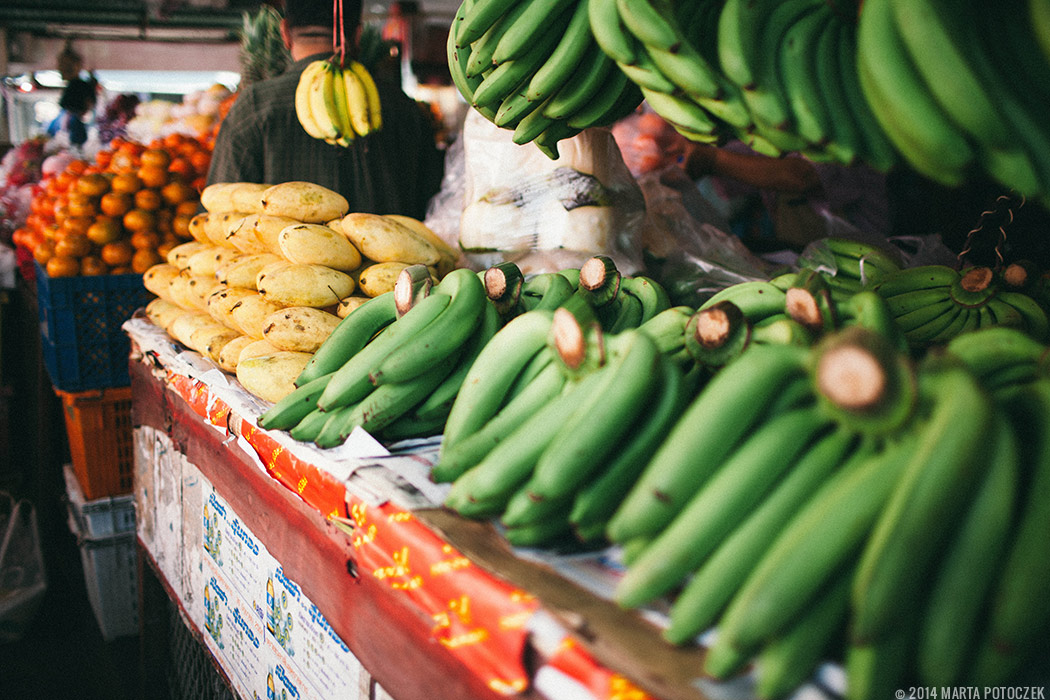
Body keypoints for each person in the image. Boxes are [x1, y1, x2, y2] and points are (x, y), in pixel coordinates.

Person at [206, 0, 444, 219]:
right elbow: (435, 204)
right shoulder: (403, 107)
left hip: (283, 264)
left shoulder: (254, 105)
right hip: (394, 264)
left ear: (285, 33)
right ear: (358, 35)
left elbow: (222, 206)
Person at [47, 76, 98, 149]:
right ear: (85, 100)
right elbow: (77, 148)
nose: (91, 106)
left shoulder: (60, 116)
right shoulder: (75, 122)